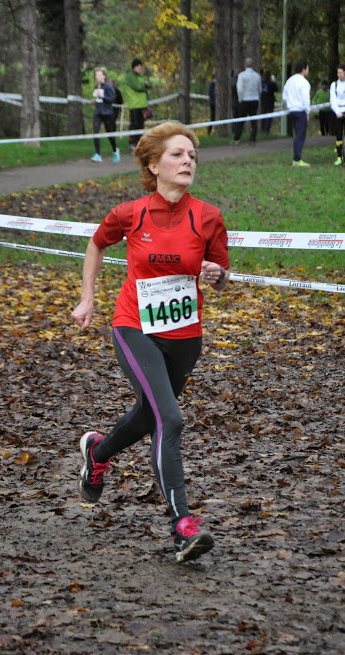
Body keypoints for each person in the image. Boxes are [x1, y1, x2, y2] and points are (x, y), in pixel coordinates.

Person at [71, 121, 230, 564]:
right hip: (134, 326)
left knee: (151, 415)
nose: (187, 161)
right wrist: (87, 298)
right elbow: (96, 244)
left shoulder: (209, 216)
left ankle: (98, 452)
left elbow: (221, 277)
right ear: (154, 165)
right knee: (170, 419)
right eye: (178, 154)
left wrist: (217, 276)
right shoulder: (130, 213)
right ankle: (183, 527)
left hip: (185, 336)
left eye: (192, 155)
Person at [282, 60, 311, 167]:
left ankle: (297, 157)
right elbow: (306, 99)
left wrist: (289, 105)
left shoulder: (290, 80)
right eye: (307, 68)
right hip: (300, 110)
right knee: (300, 135)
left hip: (292, 110)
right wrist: (307, 111)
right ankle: (297, 159)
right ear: (304, 69)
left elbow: (284, 96)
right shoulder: (304, 83)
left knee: (297, 134)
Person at [90, 67, 120, 164]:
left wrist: (102, 96)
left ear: (104, 76)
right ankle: (98, 154)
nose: (97, 77)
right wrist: (94, 101)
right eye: (96, 75)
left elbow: (112, 100)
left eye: (99, 75)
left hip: (107, 114)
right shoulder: (96, 87)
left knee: (109, 134)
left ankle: (115, 150)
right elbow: (98, 100)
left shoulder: (108, 87)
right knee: (96, 132)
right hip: (98, 113)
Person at [123, 58, 151, 150]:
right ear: (134, 67)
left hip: (142, 104)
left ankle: (139, 142)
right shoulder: (130, 76)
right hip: (134, 104)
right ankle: (132, 143)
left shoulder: (141, 76)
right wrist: (144, 85)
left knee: (141, 124)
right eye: (138, 66)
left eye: (140, 66)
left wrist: (145, 84)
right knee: (134, 124)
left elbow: (149, 84)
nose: (140, 68)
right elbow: (138, 86)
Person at [232, 58, 261, 145]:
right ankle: (253, 139)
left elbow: (239, 88)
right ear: (253, 65)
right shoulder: (257, 76)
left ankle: (237, 138)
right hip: (254, 99)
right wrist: (257, 96)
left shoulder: (242, 75)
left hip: (245, 100)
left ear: (244, 65)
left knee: (241, 120)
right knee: (253, 120)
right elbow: (259, 88)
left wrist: (240, 99)